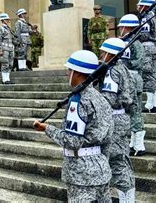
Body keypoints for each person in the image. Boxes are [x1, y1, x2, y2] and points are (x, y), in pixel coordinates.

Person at [34, 50, 113, 202]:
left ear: (77, 73)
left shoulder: (78, 101)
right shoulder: (101, 98)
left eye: (70, 70)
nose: (67, 73)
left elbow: (72, 141)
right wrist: (102, 162)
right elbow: (108, 137)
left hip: (81, 173)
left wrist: (47, 128)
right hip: (101, 167)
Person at [99, 38, 136, 201]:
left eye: (102, 52)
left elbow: (109, 98)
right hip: (123, 117)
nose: (100, 55)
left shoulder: (112, 71)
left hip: (114, 119)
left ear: (110, 53)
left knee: (117, 163)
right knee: (122, 160)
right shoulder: (124, 69)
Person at [118, 14, 147, 156]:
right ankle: (132, 142)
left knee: (135, 112)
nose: (120, 30)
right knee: (129, 112)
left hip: (133, 79)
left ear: (128, 28)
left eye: (122, 27)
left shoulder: (136, 43)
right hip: (125, 80)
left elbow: (139, 62)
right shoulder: (125, 42)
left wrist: (124, 66)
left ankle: (139, 144)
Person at [138, 0, 156, 113]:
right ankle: (154, 104)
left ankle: (149, 105)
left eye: (140, 5)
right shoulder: (155, 17)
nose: (138, 7)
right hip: (155, 49)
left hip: (147, 48)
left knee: (148, 76)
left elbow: (143, 35)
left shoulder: (145, 18)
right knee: (153, 75)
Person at [0, 13, 15, 84]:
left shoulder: (8, 28)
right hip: (4, 49)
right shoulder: (1, 28)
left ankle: (8, 79)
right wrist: (0, 49)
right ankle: (4, 80)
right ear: (3, 20)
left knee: (10, 64)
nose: (8, 20)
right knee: (5, 64)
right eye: (7, 19)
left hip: (10, 48)